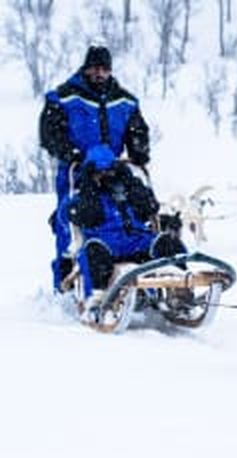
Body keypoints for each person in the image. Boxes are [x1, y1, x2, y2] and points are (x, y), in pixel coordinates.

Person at [39, 45, 150, 291]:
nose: (99, 73)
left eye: (104, 69)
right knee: (70, 220)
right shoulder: (65, 96)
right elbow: (50, 132)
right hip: (76, 169)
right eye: (95, 68)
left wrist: (139, 148)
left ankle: (138, 259)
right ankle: (67, 277)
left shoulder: (124, 100)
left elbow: (137, 129)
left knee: (125, 211)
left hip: (114, 169)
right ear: (86, 68)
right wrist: (71, 153)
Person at [66, 145, 184, 310]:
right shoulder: (82, 197)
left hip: (138, 242)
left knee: (168, 242)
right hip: (106, 246)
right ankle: (99, 301)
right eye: (100, 172)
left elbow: (150, 207)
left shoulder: (128, 189)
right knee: (93, 251)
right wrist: (89, 188)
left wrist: (133, 186)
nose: (106, 176)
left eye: (110, 171)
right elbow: (79, 215)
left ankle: (181, 289)